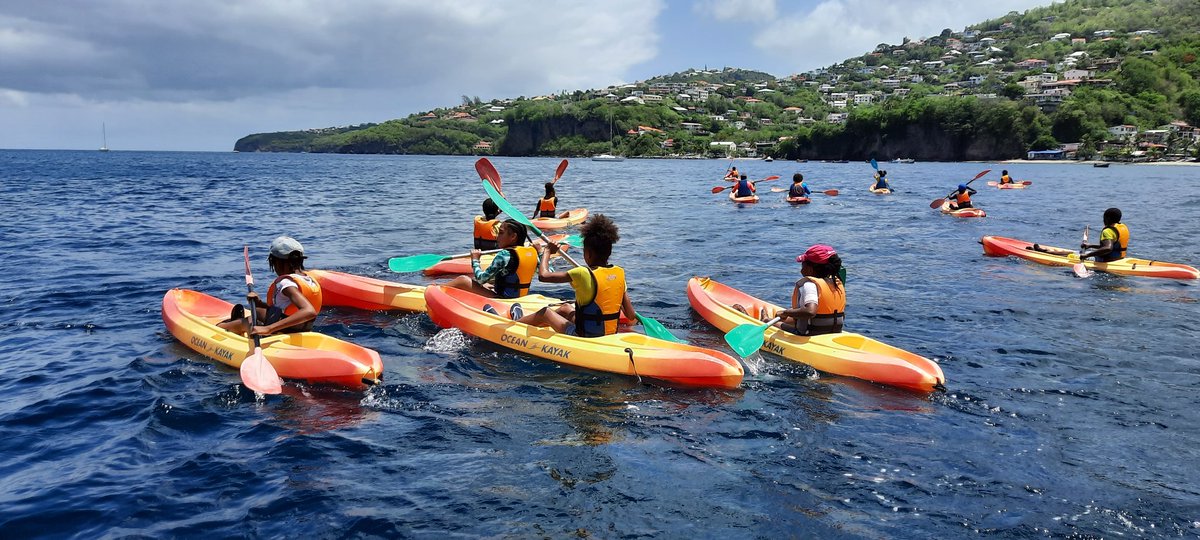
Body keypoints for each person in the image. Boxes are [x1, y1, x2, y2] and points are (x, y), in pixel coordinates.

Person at [514, 214, 637, 337]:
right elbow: (631, 315)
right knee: (565, 308)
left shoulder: (582, 273)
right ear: (609, 252)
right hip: (608, 332)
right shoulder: (619, 273)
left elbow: (543, 276)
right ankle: (534, 323)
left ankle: (516, 325)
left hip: (584, 335)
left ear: (588, 254)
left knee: (546, 313)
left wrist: (546, 252)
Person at [219, 236, 322, 336]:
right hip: (302, 329)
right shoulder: (309, 280)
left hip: (284, 331)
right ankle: (237, 320)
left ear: (277, 262)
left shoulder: (286, 283)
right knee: (258, 309)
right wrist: (259, 303)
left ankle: (222, 327)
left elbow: (309, 311)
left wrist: (268, 329)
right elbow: (286, 308)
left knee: (249, 320)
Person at [735, 244, 845, 335]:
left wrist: (786, 312)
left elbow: (810, 311)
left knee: (785, 321)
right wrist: (788, 314)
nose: (801, 268)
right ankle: (772, 319)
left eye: (803, 264)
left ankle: (767, 321)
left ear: (810, 268)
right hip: (832, 333)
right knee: (793, 318)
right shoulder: (836, 283)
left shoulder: (809, 285)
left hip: (807, 334)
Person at [447, 219, 538, 299]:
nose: (496, 236)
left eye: (501, 233)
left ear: (513, 236)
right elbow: (549, 270)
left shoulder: (504, 255)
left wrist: (475, 260)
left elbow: (481, 279)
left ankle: (434, 291)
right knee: (488, 285)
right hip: (521, 298)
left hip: (503, 299)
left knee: (463, 280)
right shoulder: (533, 253)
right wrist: (541, 252)